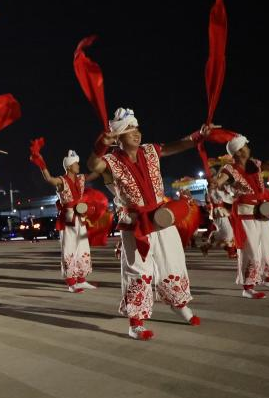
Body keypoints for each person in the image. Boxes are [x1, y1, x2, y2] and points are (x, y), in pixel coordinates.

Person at [86, 107, 207, 340]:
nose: (136, 133)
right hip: (135, 224)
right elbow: (93, 165)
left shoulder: (150, 151)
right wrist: (101, 145)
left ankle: (178, 304)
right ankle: (136, 323)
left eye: (137, 128)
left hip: (162, 218)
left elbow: (176, 145)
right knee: (138, 272)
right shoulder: (110, 161)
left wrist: (198, 136)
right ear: (118, 137)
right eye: (129, 129)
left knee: (172, 264)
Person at [210, 135, 269, 298]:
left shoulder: (256, 164)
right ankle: (247, 287)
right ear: (236, 153)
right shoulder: (230, 169)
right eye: (241, 149)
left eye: (245, 147)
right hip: (245, 214)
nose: (245, 151)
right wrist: (215, 183)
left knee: (268, 246)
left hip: (261, 212)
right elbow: (220, 180)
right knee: (251, 250)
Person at [31, 148, 102, 292]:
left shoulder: (81, 178)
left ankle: (81, 280)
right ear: (69, 166)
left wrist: (102, 158)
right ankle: (71, 283)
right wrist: (41, 163)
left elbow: (96, 173)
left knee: (82, 247)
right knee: (69, 249)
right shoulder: (61, 180)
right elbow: (49, 179)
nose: (78, 166)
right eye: (76, 164)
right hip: (68, 219)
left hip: (80, 217)